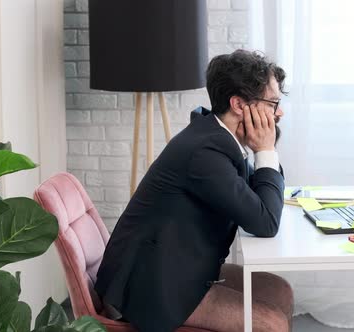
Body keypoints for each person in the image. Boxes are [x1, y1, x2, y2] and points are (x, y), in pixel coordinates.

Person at [95, 49, 293, 332]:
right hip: (153, 287)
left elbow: (259, 201)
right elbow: (265, 221)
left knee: (280, 291)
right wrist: (266, 150)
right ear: (239, 104)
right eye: (273, 102)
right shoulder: (206, 152)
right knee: (271, 324)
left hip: (178, 266)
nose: (279, 112)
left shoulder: (216, 138)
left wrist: (265, 151)